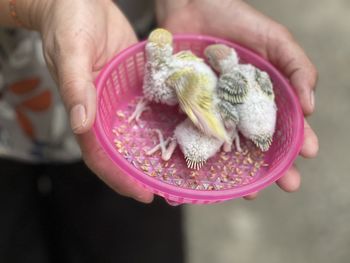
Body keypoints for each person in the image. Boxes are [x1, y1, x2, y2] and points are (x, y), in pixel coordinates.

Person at [0, 0, 319, 262]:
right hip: (14, 116)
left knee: (130, 240)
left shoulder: (183, 82)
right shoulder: (173, 82)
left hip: (115, 74)